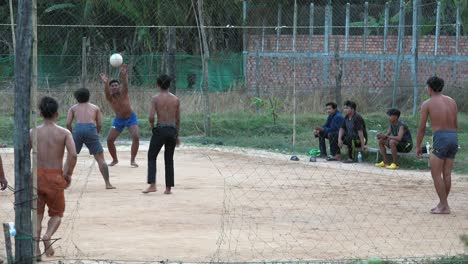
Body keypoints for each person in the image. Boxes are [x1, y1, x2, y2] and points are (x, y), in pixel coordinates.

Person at [32, 97, 77, 259]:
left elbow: (24, 152)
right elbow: (73, 154)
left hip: (37, 176)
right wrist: (67, 173)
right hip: (55, 176)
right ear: (57, 114)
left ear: (41, 113)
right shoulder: (64, 133)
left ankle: (36, 249)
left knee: (36, 213)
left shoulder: (33, 132)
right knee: (57, 213)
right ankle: (48, 235)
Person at [416, 76, 458, 214]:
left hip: (441, 137)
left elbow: (422, 128)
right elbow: (456, 123)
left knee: (436, 174)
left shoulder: (427, 103)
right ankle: (442, 203)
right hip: (453, 136)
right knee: (447, 174)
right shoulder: (452, 101)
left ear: (429, 88)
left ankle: (445, 206)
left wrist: (418, 146)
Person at [66, 88, 115, 189]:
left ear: (76, 98)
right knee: (100, 158)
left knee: (71, 158)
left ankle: (64, 183)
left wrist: (71, 133)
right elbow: (100, 124)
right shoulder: (95, 107)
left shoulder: (73, 108)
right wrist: (96, 133)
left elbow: (68, 123)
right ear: (89, 96)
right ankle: (107, 183)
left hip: (78, 129)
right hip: (91, 129)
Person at [143, 75, 180, 195]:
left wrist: (153, 127)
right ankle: (168, 188)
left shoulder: (155, 99)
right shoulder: (176, 99)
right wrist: (177, 134)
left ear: (158, 85)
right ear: (169, 85)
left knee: (152, 155)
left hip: (160, 129)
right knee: (169, 159)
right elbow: (178, 119)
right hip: (172, 130)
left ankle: (152, 184)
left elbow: (150, 117)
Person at [100, 64, 139, 167]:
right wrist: (106, 82)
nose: (114, 87)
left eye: (116, 85)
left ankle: (133, 160)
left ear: (119, 87)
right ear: (111, 88)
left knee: (136, 136)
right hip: (119, 120)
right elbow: (106, 92)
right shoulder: (110, 98)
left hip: (131, 118)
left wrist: (123, 74)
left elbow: (125, 84)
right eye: (112, 86)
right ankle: (115, 160)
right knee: (109, 140)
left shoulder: (124, 93)